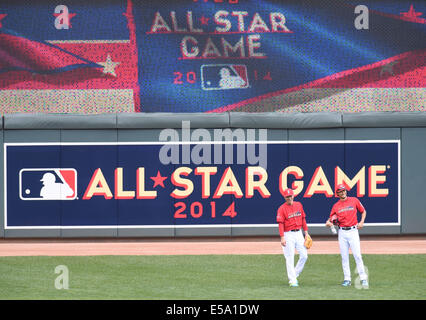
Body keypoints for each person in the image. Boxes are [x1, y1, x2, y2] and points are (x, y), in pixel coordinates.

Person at [325, 184, 369, 288]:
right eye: (340, 191)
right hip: (342, 232)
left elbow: (363, 211)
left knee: (357, 255)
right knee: (344, 257)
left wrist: (362, 222)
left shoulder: (354, 200)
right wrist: (328, 223)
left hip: (353, 231)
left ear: (346, 191)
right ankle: (347, 279)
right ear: (338, 194)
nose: (343, 192)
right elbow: (330, 219)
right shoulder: (336, 206)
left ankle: (363, 278)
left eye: (344, 190)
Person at [276, 188, 310, 287]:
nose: (289, 198)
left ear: (293, 196)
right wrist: (282, 237)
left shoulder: (299, 205)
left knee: (304, 255)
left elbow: (303, 218)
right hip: (288, 234)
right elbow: (280, 224)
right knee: (289, 257)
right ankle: (292, 280)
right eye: (287, 196)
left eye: (290, 196)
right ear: (284, 197)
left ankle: (294, 274)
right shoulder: (281, 208)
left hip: (299, 233)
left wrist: (306, 233)